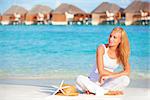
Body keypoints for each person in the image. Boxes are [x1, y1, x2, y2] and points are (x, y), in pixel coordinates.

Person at [76, 27, 130, 96]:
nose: (111, 39)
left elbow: (127, 71)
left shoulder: (121, 53)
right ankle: (106, 92)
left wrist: (110, 76)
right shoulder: (101, 48)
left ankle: (97, 91)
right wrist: (116, 74)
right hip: (93, 82)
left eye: (114, 37)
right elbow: (101, 71)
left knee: (125, 79)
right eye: (110, 36)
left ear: (120, 40)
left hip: (107, 83)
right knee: (79, 78)